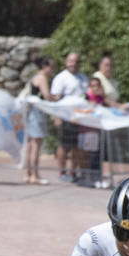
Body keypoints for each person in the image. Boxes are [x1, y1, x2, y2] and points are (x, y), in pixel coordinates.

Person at [50, 51, 88, 181]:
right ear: (66, 62)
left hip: (80, 118)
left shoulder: (83, 78)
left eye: (76, 61)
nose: (74, 64)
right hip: (65, 117)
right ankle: (62, 172)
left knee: (77, 147)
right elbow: (55, 99)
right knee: (63, 145)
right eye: (71, 61)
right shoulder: (61, 78)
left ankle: (73, 172)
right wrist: (57, 117)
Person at [22, 55, 57, 186]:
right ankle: (34, 175)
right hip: (37, 113)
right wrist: (58, 99)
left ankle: (27, 174)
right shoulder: (42, 78)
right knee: (36, 145)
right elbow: (47, 96)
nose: (53, 70)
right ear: (45, 66)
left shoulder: (35, 76)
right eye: (51, 67)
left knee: (30, 145)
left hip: (31, 112)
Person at [78, 76, 108, 188]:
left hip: (96, 131)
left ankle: (93, 177)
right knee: (85, 154)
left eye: (97, 86)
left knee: (94, 155)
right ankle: (85, 176)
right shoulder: (87, 97)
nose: (95, 88)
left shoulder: (100, 98)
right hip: (86, 130)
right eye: (93, 86)